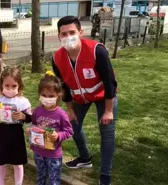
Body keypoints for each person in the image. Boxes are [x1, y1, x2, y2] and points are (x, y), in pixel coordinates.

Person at [52, 16, 118, 185]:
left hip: (104, 96)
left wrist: (108, 110)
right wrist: (70, 109)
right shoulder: (56, 58)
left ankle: (105, 175)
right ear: (58, 36)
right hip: (80, 97)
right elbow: (64, 86)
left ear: (81, 32)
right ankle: (84, 158)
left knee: (107, 132)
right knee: (72, 125)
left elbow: (110, 82)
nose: (68, 37)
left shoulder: (97, 50)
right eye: (64, 33)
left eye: (72, 32)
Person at [0, 67, 32, 185]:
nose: (10, 89)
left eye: (14, 86)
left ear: (19, 86)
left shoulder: (23, 101)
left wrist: (23, 116)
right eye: (7, 85)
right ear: (1, 85)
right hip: (1, 134)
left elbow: (30, 118)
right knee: (0, 162)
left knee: (17, 162)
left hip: (16, 134)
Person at [27, 71, 73, 185]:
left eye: (51, 96)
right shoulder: (37, 111)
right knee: (40, 177)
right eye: (44, 95)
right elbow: (34, 124)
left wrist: (58, 136)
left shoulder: (61, 114)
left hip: (53, 155)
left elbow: (69, 131)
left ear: (58, 96)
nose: (47, 98)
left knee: (53, 181)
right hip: (38, 152)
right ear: (39, 95)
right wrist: (30, 130)